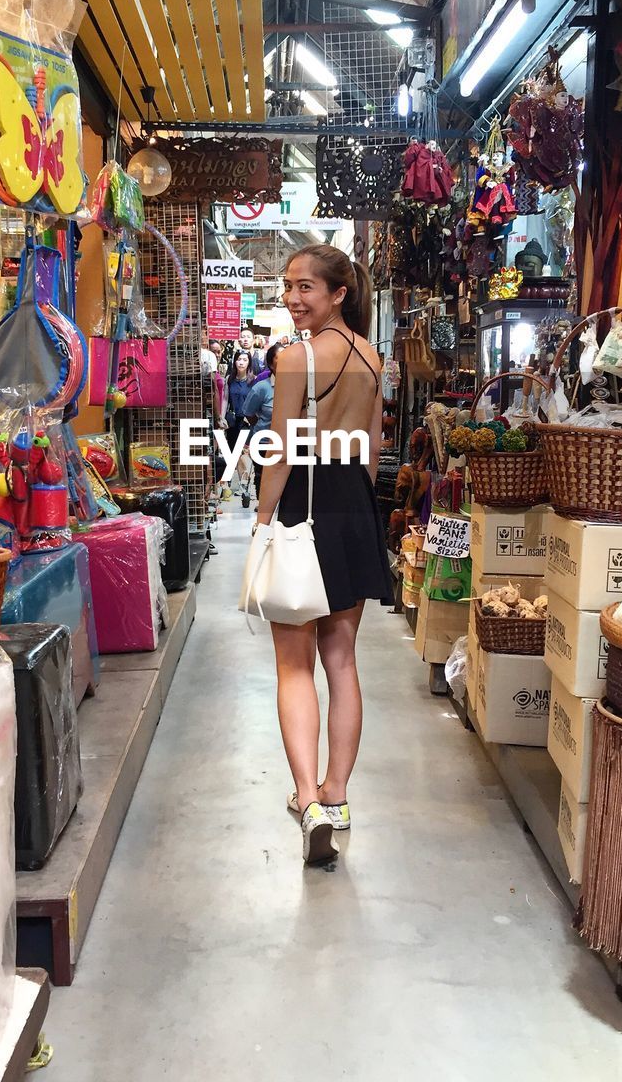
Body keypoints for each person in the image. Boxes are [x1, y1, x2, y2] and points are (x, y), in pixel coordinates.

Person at [252, 244, 390, 865]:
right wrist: (360, 518)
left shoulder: (294, 358)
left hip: (303, 502)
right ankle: (337, 794)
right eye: (287, 286)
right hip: (353, 506)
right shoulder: (371, 354)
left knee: (293, 666)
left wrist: (261, 522)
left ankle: (307, 796)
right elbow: (370, 446)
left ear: (338, 293)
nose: (292, 298)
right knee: (342, 661)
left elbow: (280, 452)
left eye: (305, 287)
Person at [241, 342, 280, 496]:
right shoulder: (262, 388)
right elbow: (249, 412)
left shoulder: (297, 386)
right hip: (264, 441)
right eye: (280, 359)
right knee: (263, 476)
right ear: (271, 363)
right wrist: (261, 427)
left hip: (288, 440)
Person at [225, 349, 255, 501]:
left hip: (247, 421)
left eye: (245, 359)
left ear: (249, 362)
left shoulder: (252, 380)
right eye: (239, 359)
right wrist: (221, 418)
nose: (241, 362)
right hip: (233, 421)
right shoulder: (229, 379)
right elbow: (225, 399)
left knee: (245, 452)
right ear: (234, 361)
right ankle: (235, 484)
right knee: (233, 453)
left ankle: (246, 486)